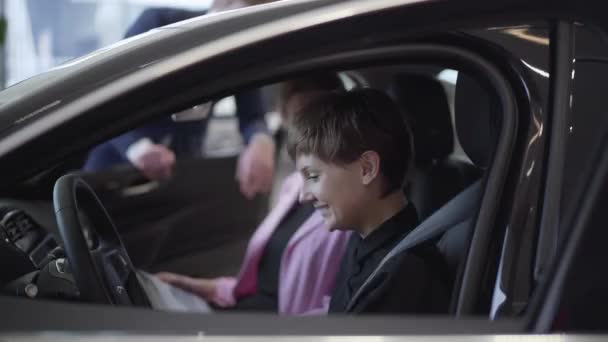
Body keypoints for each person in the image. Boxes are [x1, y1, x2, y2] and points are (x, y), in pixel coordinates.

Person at [156, 74, 351, 315]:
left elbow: (343, 310)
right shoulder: (295, 185)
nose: (309, 132)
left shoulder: (351, 208)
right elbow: (265, 285)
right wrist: (199, 288)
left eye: (320, 117)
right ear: (284, 117)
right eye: (301, 119)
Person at [83, 0, 276, 199]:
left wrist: (260, 140)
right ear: (222, 3)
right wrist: (138, 148)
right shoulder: (157, 24)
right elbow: (109, 101)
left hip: (179, 175)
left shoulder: (241, 55)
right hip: (114, 170)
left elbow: (252, 115)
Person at [288, 88, 450, 314]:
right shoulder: (362, 238)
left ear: (367, 168)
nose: (303, 195)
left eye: (313, 176)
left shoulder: (403, 274)